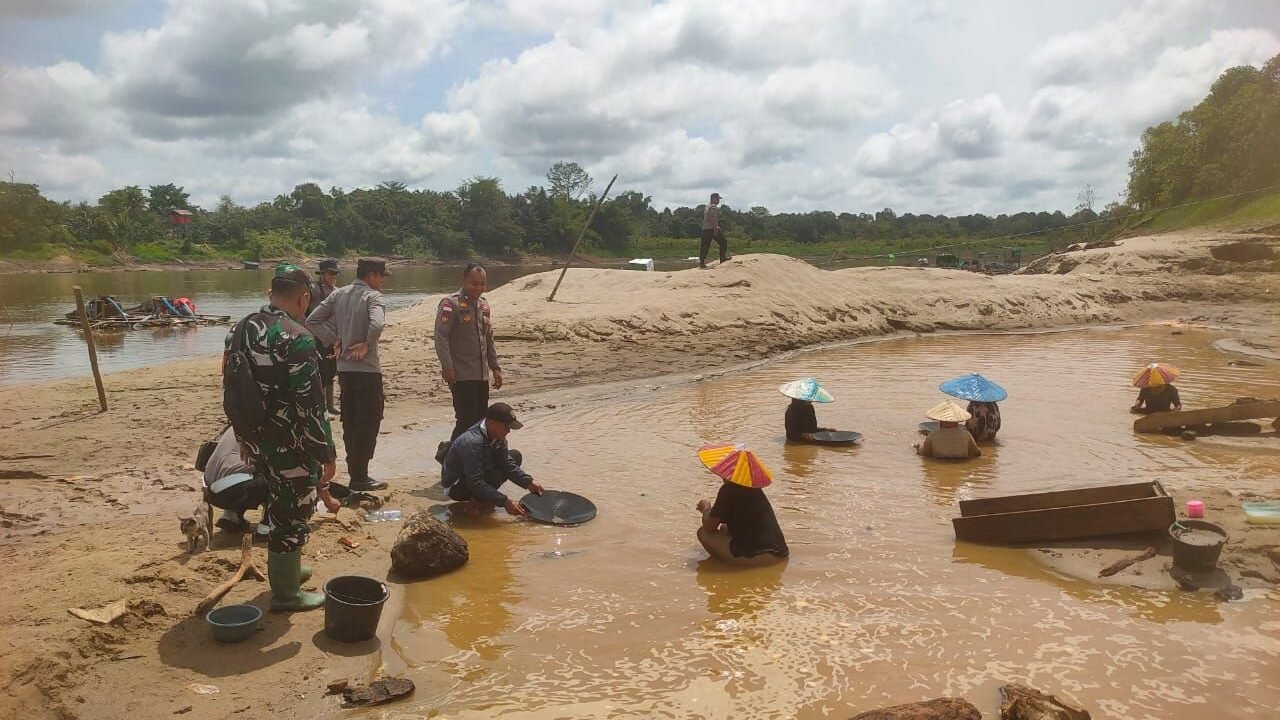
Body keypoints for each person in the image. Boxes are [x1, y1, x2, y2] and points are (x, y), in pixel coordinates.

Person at [224, 264, 339, 611]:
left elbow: (232, 389)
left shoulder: (238, 329)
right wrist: (326, 451)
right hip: (289, 442)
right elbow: (311, 405)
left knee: (278, 502)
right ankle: (287, 593)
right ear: (304, 298)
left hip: (255, 436)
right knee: (293, 511)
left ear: (271, 293)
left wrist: (244, 438)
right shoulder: (296, 337)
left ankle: (285, 570)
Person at [308, 257, 390, 491]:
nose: (382, 281)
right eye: (381, 276)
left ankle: (356, 472)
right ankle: (360, 475)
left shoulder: (338, 294)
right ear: (372, 275)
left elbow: (313, 320)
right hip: (366, 370)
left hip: (345, 369)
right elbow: (377, 325)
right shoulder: (373, 296)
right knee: (369, 420)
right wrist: (365, 344)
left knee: (351, 420)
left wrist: (334, 340)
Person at [435, 263, 504, 442]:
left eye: (482, 284)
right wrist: (447, 367)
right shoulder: (451, 304)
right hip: (461, 374)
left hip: (481, 375)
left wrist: (495, 367)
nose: (479, 288)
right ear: (463, 281)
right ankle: (450, 459)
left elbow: (488, 338)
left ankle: (471, 461)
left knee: (480, 421)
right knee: (465, 421)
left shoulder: (484, 306)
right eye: (474, 283)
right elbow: (441, 337)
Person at [441, 403, 543, 516]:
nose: (509, 431)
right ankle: (474, 504)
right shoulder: (472, 442)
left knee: (515, 456)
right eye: (506, 426)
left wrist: (528, 482)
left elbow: (506, 462)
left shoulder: (496, 435)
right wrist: (505, 501)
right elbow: (475, 482)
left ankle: (482, 498)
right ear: (491, 423)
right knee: (493, 474)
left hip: (475, 475)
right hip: (457, 487)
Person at [695, 481, 789, 567]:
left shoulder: (728, 489)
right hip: (781, 554)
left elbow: (709, 527)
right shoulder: (753, 487)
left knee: (703, 533)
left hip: (761, 558)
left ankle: (725, 568)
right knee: (724, 528)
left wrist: (705, 509)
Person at [202, 426, 268, 533]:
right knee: (283, 476)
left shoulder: (237, 424)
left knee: (242, 470)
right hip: (234, 490)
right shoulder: (269, 426)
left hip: (210, 491)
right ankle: (267, 527)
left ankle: (231, 516)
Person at [308, 258, 342, 416]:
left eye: (336, 273)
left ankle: (330, 405)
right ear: (322, 274)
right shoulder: (313, 290)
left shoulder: (337, 291)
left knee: (331, 371)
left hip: (333, 337)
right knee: (321, 372)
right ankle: (321, 408)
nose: (334, 276)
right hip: (317, 336)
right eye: (331, 273)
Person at [917, 401, 981, 459]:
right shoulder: (966, 435)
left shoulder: (933, 435)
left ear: (940, 421)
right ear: (957, 421)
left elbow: (925, 454)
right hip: (961, 465)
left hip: (940, 465)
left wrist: (919, 446)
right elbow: (976, 453)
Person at [698, 192, 729, 269]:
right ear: (713, 198)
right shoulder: (713, 207)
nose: (719, 200)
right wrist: (715, 229)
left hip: (705, 229)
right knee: (723, 242)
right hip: (711, 229)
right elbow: (713, 219)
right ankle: (722, 258)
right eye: (718, 199)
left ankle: (702, 263)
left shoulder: (707, 206)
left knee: (704, 246)